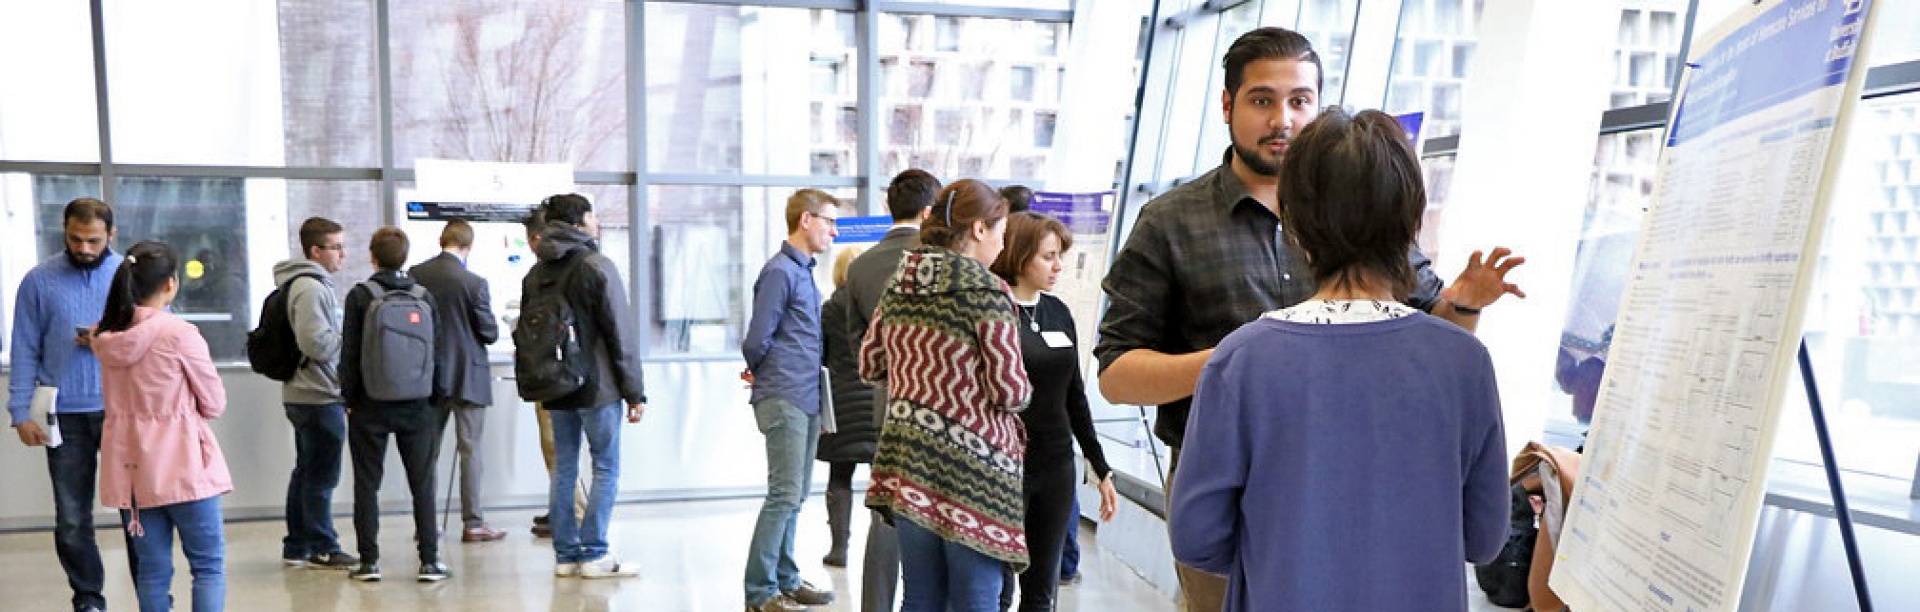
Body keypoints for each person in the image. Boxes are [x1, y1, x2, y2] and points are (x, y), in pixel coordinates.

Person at [1093, 27, 1524, 612]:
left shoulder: (1353, 227)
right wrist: (1228, 365)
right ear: (1228, 104)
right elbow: (1116, 374)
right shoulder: (1171, 223)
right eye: (1263, 100)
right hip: (1247, 482)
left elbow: (1420, 331)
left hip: (1344, 497)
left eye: (1300, 101)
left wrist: (1464, 304)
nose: (1283, 120)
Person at [1168, 108, 1510, 611]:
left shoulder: (1240, 360)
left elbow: (1197, 536)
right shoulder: (1465, 361)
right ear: (1410, 220)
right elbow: (1484, 539)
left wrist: (1281, 556)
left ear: (1295, 223)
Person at [859, 178, 1030, 612]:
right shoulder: (988, 292)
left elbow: (870, 364)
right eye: (1000, 234)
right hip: (974, 471)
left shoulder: (901, 284)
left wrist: (921, 383)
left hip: (910, 462)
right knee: (975, 599)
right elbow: (1009, 391)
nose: (1001, 245)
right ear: (977, 230)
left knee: (920, 596)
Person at [8, 197, 136, 612]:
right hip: (62, 414)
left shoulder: (130, 276)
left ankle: (151, 594)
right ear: (64, 231)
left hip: (122, 411)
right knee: (71, 517)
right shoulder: (39, 280)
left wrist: (107, 338)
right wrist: (20, 410)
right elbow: (24, 347)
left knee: (137, 512)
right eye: (76, 239)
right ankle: (88, 599)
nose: (84, 248)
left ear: (110, 236)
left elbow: (156, 337)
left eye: (93, 240)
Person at [989, 212, 1120, 612]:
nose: (1058, 266)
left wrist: (1100, 468)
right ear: (1019, 254)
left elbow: (1074, 394)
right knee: (997, 587)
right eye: (1048, 256)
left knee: (1042, 588)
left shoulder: (1058, 311)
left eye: (1059, 255)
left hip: (1056, 464)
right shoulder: (992, 311)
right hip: (1003, 465)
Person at [93, 240, 233, 612]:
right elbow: (214, 403)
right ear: (170, 283)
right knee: (207, 566)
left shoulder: (104, 339)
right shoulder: (180, 333)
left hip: (132, 471)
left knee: (152, 572)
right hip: (185, 465)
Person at [529, 193, 647, 578]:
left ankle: (566, 555)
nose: (597, 220)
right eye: (593, 214)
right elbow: (620, 333)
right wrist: (635, 391)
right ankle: (595, 553)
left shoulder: (537, 272)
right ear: (580, 222)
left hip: (555, 385)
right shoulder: (597, 265)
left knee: (564, 468)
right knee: (605, 467)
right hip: (598, 386)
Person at [843, 168, 941, 612]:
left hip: (888, 408)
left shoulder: (860, 266)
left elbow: (858, 346)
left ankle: (875, 606)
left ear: (888, 208)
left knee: (886, 513)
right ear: (928, 211)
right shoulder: (940, 260)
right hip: (944, 411)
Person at [741, 189, 842, 612]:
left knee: (796, 496)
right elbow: (756, 339)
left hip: (804, 394)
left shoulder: (804, 272)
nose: (834, 232)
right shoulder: (780, 271)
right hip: (783, 394)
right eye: (829, 222)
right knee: (783, 494)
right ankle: (760, 592)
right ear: (805, 220)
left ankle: (785, 578)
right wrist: (763, 370)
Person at [340, 226, 447, 582]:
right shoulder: (424, 296)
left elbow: (350, 353)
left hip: (370, 404)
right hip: (417, 405)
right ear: (405, 257)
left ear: (373, 256)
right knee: (423, 484)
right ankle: (429, 561)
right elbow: (438, 353)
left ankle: (369, 562)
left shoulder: (360, 296)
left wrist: (349, 398)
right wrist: (435, 397)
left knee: (367, 484)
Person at [409, 219, 506, 543]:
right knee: (470, 451)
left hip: (428, 376)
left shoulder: (417, 275)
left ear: (441, 240)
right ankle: (473, 523)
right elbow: (489, 333)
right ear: (469, 246)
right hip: (468, 377)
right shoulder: (474, 282)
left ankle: (427, 525)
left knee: (427, 452)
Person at [274, 217, 359, 571]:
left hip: (303, 391)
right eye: (336, 246)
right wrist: (350, 338)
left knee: (306, 470)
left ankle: (297, 544)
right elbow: (315, 342)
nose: (343, 253)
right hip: (317, 392)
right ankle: (323, 545)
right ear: (315, 251)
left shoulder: (303, 283)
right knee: (322, 474)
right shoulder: (311, 288)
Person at [520, 210, 588, 538]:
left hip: (556, 375)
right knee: (563, 452)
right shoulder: (570, 269)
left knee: (560, 451)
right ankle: (565, 510)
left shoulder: (547, 275)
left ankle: (575, 516)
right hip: (563, 373)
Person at [814, 244, 872, 571]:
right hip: (875, 399)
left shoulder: (830, 307)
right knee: (884, 479)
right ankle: (885, 545)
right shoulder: (877, 303)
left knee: (840, 477)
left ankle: (839, 548)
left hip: (841, 402)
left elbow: (819, 356)